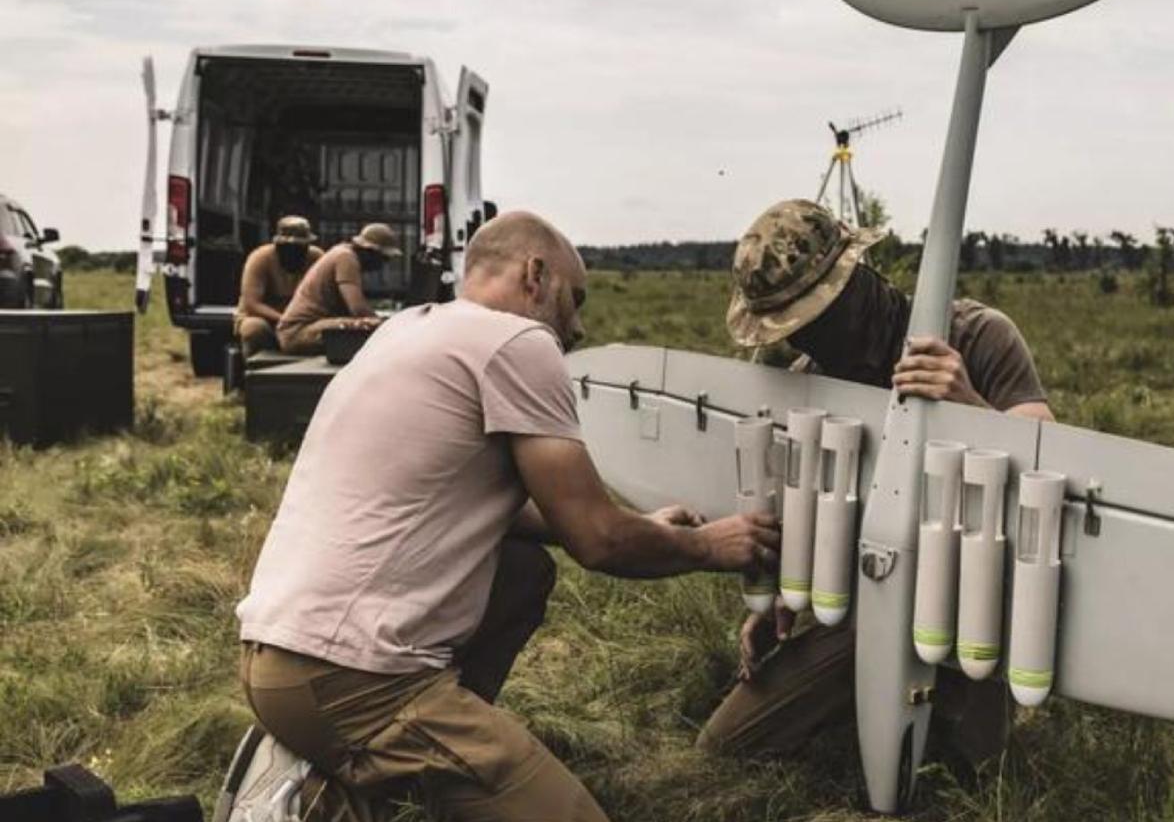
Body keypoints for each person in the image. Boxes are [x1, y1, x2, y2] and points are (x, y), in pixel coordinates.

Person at [226, 211, 781, 822]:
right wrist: (710, 547)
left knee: (521, 570)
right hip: (355, 682)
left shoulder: (408, 329)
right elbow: (597, 541)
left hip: (274, 658)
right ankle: (328, 790)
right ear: (535, 275)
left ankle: (348, 779)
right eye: (575, 298)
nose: (578, 324)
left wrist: (647, 525)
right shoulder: (517, 343)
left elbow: (501, 509)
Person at [698, 198, 1053, 768]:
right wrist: (785, 597)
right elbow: (815, 515)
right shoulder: (808, 382)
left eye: (816, 319)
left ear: (855, 278)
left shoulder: (976, 335)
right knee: (726, 747)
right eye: (794, 330)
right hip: (869, 607)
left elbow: (1046, 464)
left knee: (978, 777)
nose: (807, 340)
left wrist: (967, 405)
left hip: (976, 600)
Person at [275, 222, 401, 355]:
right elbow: (358, 309)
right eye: (384, 258)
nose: (383, 265)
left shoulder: (343, 253)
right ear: (370, 251)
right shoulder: (346, 257)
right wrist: (385, 326)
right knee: (369, 326)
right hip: (298, 332)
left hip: (308, 328)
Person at [234, 216, 324, 357]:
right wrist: (284, 319)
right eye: (288, 248)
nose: (294, 252)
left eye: (300, 247)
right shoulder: (260, 258)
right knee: (253, 328)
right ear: (277, 244)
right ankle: (253, 372)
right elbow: (252, 303)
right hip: (266, 318)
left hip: (302, 320)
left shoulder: (317, 258)